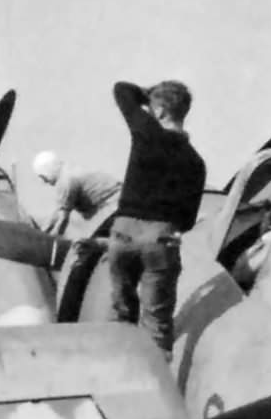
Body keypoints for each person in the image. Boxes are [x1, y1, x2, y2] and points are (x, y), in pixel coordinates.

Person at [104, 80, 206, 355]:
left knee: (120, 316)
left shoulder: (146, 133)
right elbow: (187, 220)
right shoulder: (196, 163)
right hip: (161, 239)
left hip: (123, 233)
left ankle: (116, 368)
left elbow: (121, 89)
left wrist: (147, 96)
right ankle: (155, 375)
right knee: (156, 326)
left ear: (159, 111)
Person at [33, 149, 120, 235]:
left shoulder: (65, 181)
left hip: (113, 207)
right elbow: (58, 211)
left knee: (96, 242)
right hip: (118, 201)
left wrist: (53, 239)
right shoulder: (67, 171)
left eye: (43, 177)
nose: (45, 181)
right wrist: (43, 230)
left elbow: (63, 218)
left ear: (47, 170)